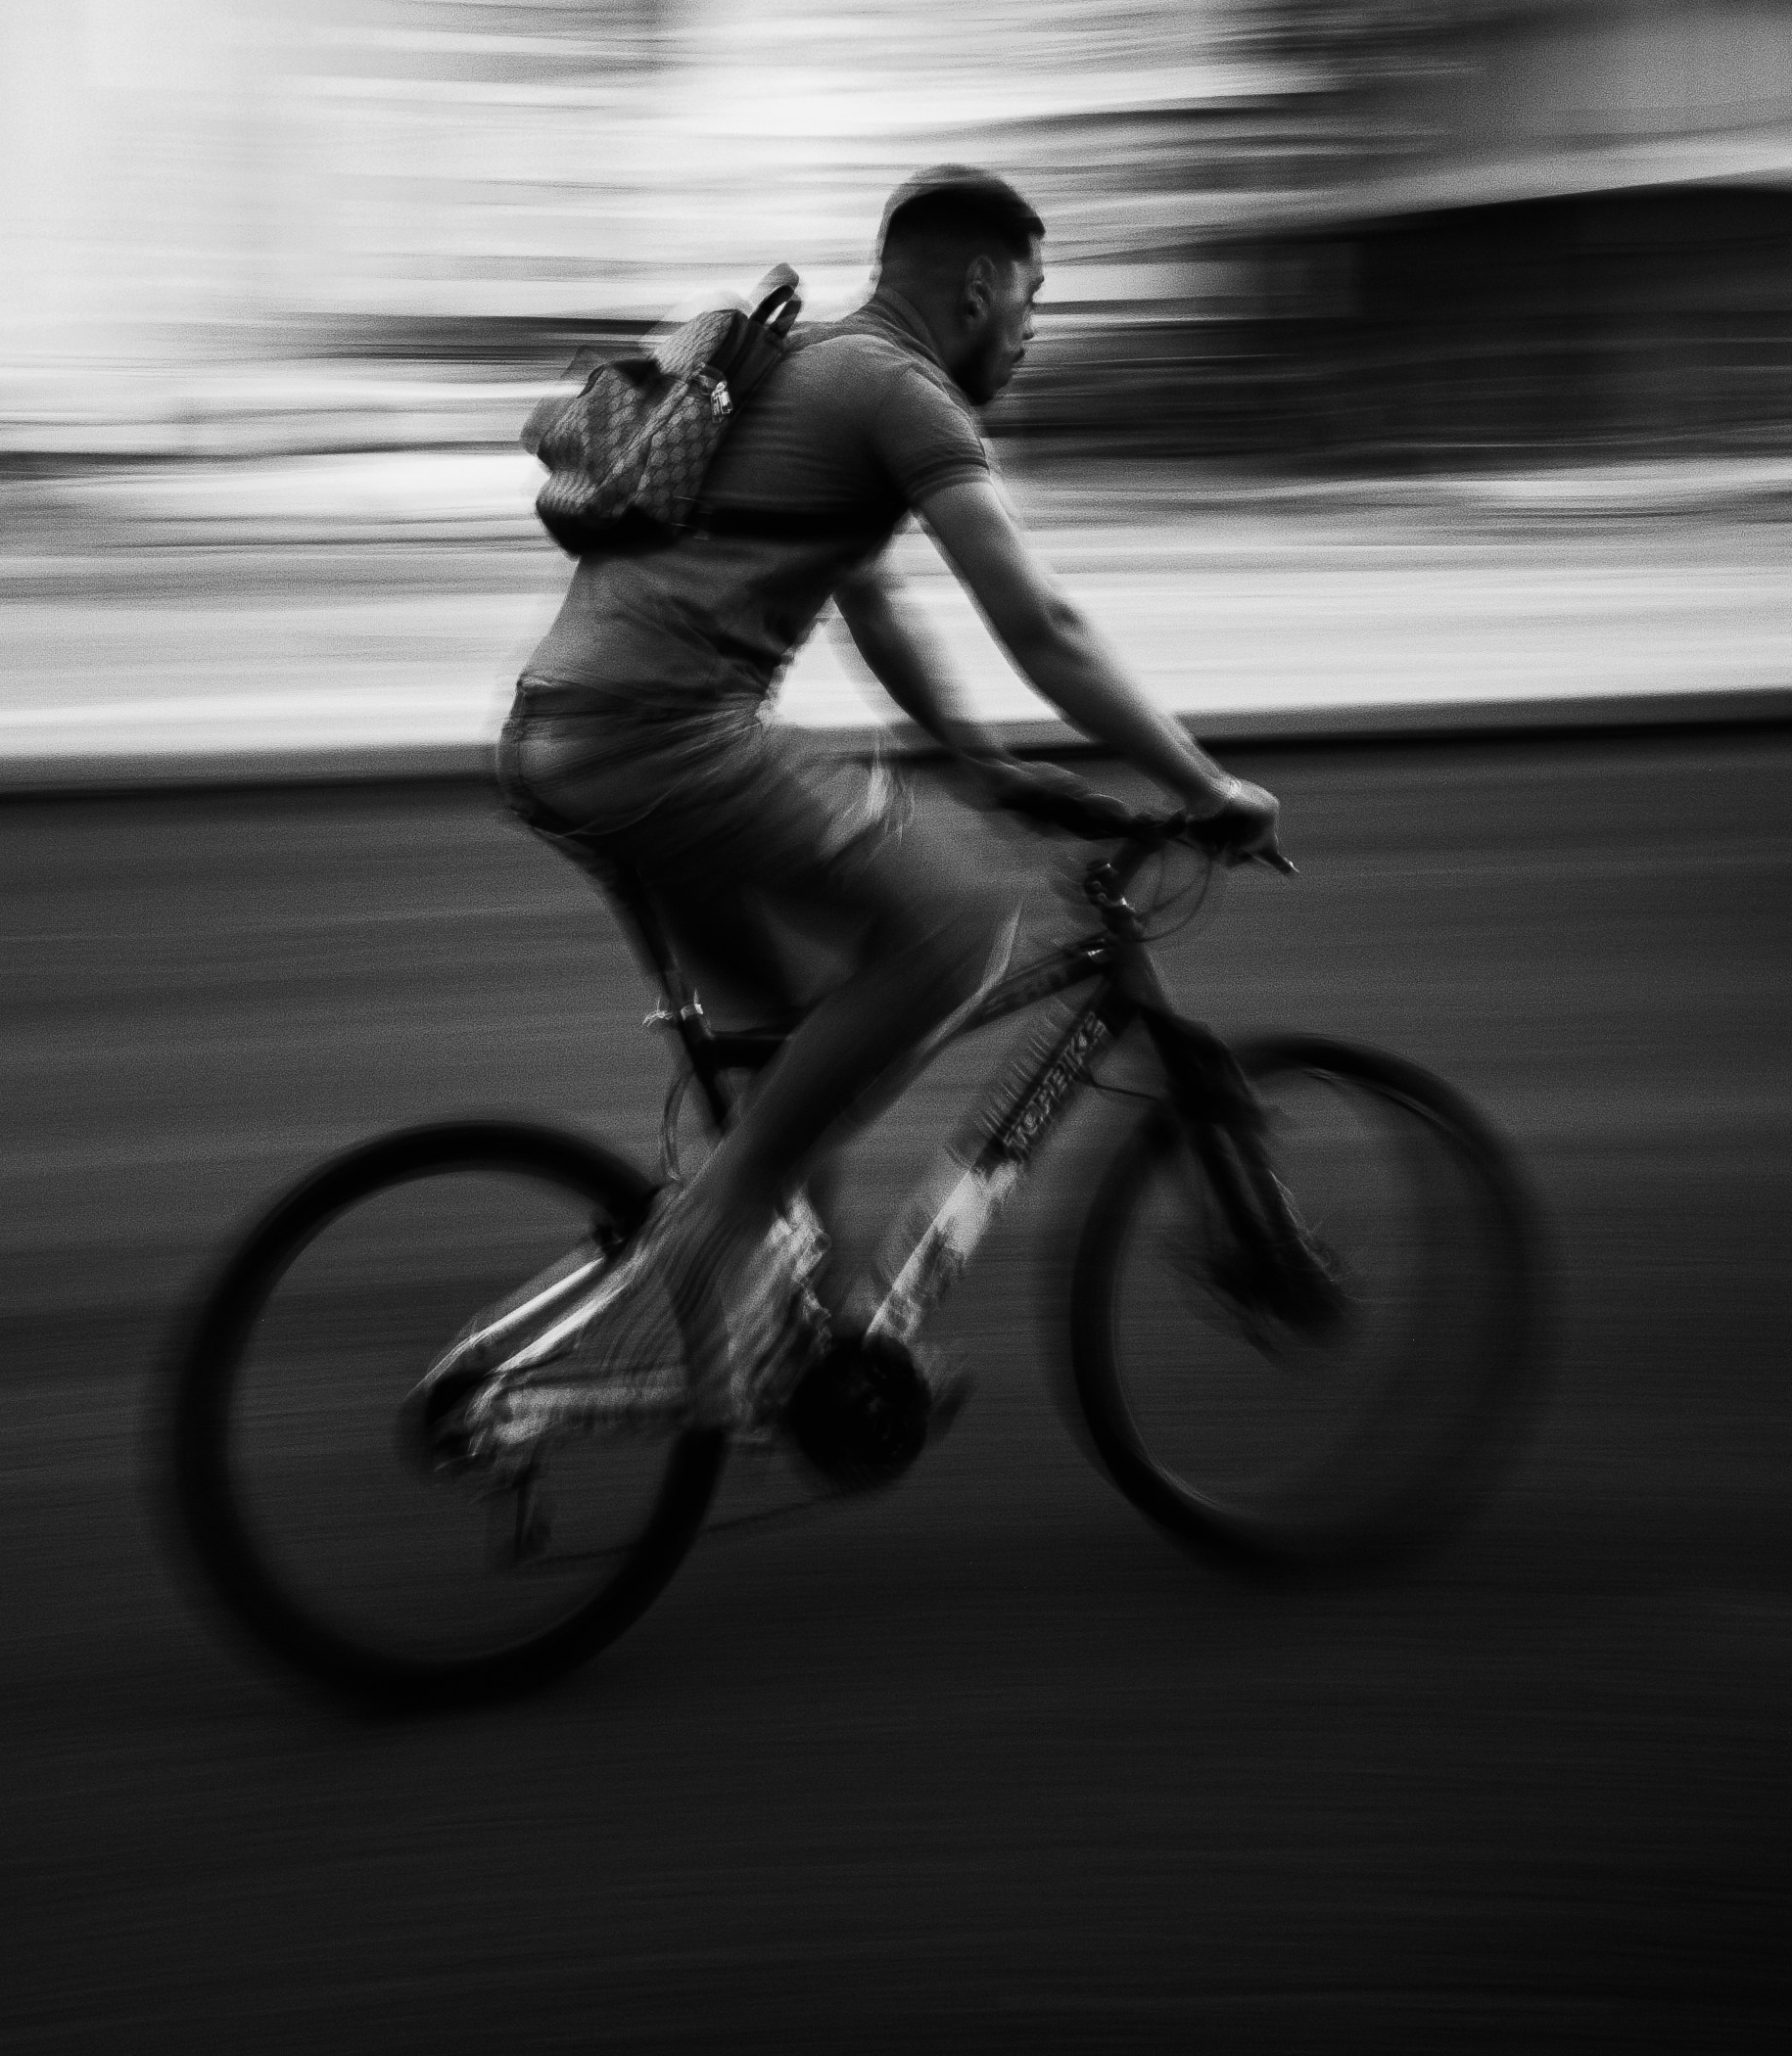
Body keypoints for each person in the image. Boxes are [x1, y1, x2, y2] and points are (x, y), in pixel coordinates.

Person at [496, 164, 1280, 1415]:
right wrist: (1203, 780)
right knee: (963, 924)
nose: (1029, 330)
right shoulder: (900, 390)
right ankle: (709, 1243)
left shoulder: (813, 371)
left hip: (571, 737)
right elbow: (1042, 623)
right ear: (977, 283)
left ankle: (766, 1369)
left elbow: (871, 606)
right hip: (663, 740)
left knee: (794, 1064)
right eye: (1030, 297)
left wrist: (977, 761)